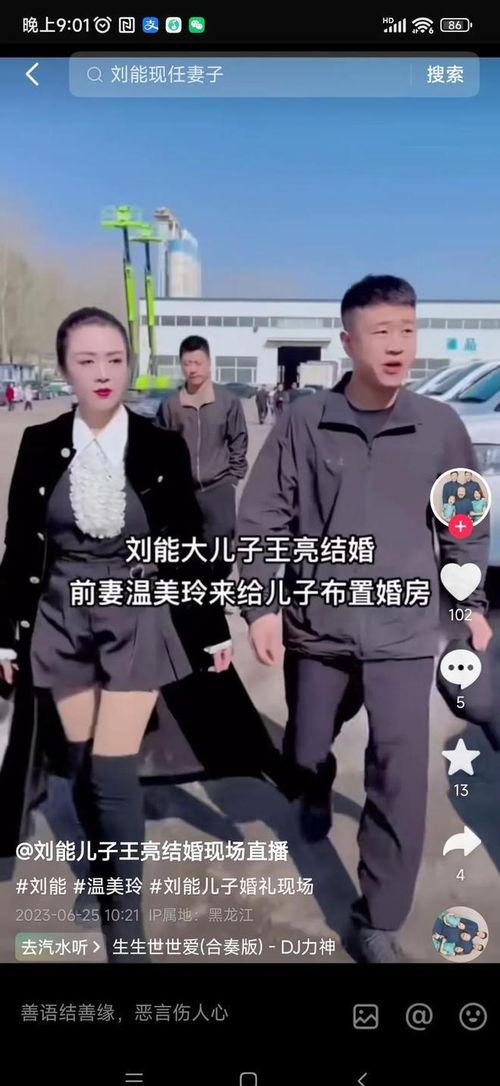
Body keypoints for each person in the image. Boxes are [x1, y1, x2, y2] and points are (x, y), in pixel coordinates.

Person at [237, 274, 492, 964]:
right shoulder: (306, 421)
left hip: (404, 633)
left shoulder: (439, 427)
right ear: (348, 342)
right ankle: (312, 783)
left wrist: (468, 603)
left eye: (407, 330)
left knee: (400, 774)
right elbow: (264, 516)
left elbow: (464, 522)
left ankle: (378, 917)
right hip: (318, 628)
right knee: (305, 747)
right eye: (381, 332)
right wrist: (261, 605)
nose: (397, 345)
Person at [0, 307, 232, 963]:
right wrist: (6, 634)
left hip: (135, 610)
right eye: (86, 361)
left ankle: (126, 928)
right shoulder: (40, 442)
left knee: (111, 767)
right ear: (65, 370)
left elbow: (186, 543)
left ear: (129, 365)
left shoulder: (160, 445)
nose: (102, 373)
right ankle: (103, 873)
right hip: (60, 613)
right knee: (79, 761)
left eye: (114, 359)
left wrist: (210, 627)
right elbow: (21, 545)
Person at [157, 336, 248, 579]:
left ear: (209, 364)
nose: (192, 369)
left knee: (221, 550)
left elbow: (238, 439)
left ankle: (217, 585)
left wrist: (233, 478)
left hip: (219, 486)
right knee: (187, 550)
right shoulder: (171, 405)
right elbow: (160, 447)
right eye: (187, 363)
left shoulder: (227, 401)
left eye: (197, 363)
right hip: (183, 491)